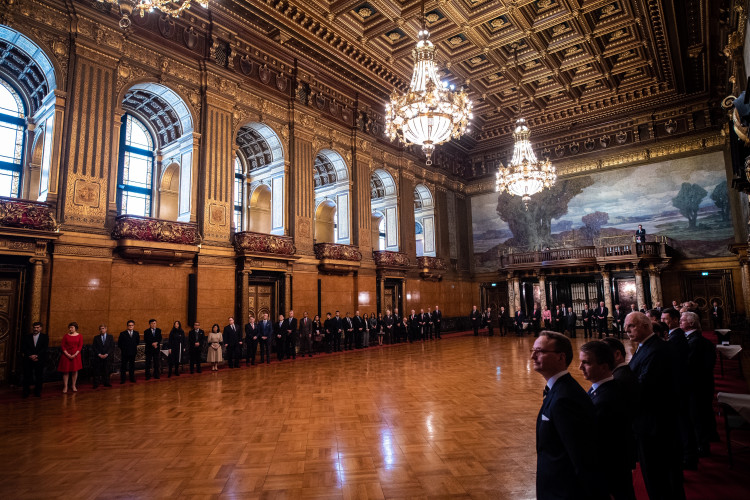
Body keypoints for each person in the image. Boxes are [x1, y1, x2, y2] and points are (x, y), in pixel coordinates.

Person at [531, 331, 606, 499]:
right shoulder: (557, 390)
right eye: (533, 350)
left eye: (540, 351)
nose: (533, 356)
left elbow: (582, 456)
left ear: (561, 357)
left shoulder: (565, 398)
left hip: (563, 491)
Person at [625, 312, 685, 500]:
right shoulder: (646, 346)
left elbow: (644, 386)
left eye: (631, 326)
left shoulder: (656, 350)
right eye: (626, 327)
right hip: (651, 422)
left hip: (655, 424)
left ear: (645, 325)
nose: (627, 330)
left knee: (658, 476)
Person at [579, 341, 636, 500]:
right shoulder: (601, 389)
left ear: (604, 366)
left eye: (586, 363)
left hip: (611, 472)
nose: (580, 367)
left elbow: (605, 444)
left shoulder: (607, 398)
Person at [681, 311, 718, 458]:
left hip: (696, 385)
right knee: (703, 413)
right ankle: (710, 436)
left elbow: (690, 364)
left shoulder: (694, 341)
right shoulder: (696, 339)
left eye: (683, 320)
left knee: (697, 416)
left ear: (691, 323)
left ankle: (703, 446)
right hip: (703, 384)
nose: (680, 322)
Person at [662, 307, 695, 468]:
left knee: (683, 421)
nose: (662, 321)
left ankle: (688, 456)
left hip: (678, 387)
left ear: (674, 319)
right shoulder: (675, 336)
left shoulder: (676, 338)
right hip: (679, 386)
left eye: (665, 319)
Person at [21, 321, 48, 397]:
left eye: (37, 327)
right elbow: (24, 348)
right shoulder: (27, 336)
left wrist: (37, 356)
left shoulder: (45, 337)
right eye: (34, 327)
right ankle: (26, 392)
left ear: (41, 328)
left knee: (39, 376)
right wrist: (30, 355)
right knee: (27, 376)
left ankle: (37, 391)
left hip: (39, 360)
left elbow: (44, 348)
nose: (35, 329)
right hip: (28, 359)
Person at [58, 322, 83, 393]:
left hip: (76, 355)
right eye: (69, 327)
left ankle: (73, 385)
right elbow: (63, 346)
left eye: (72, 327)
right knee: (66, 371)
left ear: (75, 328)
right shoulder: (66, 336)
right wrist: (67, 354)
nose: (70, 329)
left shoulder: (80, 336)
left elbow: (80, 346)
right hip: (66, 355)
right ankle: (65, 386)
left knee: (75, 371)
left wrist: (75, 354)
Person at [92, 324, 114, 388]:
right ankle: (96, 384)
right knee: (97, 371)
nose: (102, 330)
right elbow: (94, 347)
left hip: (107, 356)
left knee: (107, 370)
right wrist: (99, 354)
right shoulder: (96, 338)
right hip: (98, 357)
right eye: (100, 329)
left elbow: (112, 347)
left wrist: (107, 354)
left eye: (103, 328)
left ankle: (106, 383)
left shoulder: (110, 337)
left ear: (106, 329)